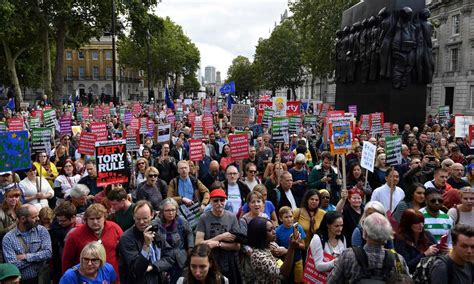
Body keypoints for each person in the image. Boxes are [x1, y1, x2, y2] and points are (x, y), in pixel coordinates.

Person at [327, 212, 410, 283]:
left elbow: (331, 281)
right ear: (387, 235)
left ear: (365, 233)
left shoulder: (348, 255)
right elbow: (405, 281)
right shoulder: (398, 259)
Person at [118, 200, 175, 283]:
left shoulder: (156, 231)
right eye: (138, 219)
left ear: (152, 215)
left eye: (145, 218)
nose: (141, 222)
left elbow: (170, 257)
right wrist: (146, 246)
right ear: (133, 216)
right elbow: (137, 269)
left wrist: (153, 266)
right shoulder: (126, 238)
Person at [62, 204, 123, 276]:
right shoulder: (74, 235)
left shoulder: (115, 228)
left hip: (111, 277)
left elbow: (123, 252)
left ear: (104, 217)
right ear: (86, 219)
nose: (95, 222)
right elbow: (67, 261)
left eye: (98, 218)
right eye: (91, 219)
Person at [195, 189, 242, 284]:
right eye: (216, 200)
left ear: (226, 201)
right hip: (210, 259)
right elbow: (198, 243)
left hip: (228, 260)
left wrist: (217, 244)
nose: (219, 203)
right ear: (211, 202)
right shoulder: (204, 217)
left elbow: (237, 246)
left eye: (222, 200)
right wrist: (220, 237)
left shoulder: (232, 217)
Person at [2, 204, 52, 284]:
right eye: (34, 217)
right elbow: (13, 265)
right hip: (22, 281)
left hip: (41, 278)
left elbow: (48, 253)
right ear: (23, 219)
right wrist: (38, 257)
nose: (38, 219)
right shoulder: (8, 239)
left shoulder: (42, 231)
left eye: (37, 216)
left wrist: (26, 256)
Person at [247, 216, 300, 283]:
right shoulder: (257, 256)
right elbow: (283, 274)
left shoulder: (271, 244)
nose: (274, 232)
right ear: (260, 234)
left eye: (274, 228)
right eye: (270, 230)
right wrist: (291, 248)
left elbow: (282, 263)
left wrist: (285, 251)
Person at [154, 198, 194, 283]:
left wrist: (190, 247)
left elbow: (189, 232)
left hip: (180, 258)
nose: (171, 213)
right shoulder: (156, 223)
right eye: (167, 210)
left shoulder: (181, 220)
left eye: (173, 210)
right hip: (163, 259)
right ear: (162, 211)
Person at [394, 209, 438, 273]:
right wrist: (425, 254)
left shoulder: (427, 234)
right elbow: (407, 266)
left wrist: (442, 250)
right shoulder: (400, 240)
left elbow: (437, 250)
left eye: (422, 222)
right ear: (408, 223)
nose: (421, 225)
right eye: (417, 222)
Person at [308, 211, 346, 280]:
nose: (340, 229)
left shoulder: (342, 238)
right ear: (328, 225)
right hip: (320, 280)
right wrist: (335, 262)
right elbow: (318, 266)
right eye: (336, 226)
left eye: (341, 225)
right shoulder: (317, 239)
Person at [275, 206, 306, 283]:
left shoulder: (298, 228)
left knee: (298, 281)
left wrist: (296, 244)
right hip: (284, 262)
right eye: (286, 217)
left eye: (290, 216)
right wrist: (286, 250)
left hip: (298, 261)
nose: (289, 219)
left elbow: (303, 246)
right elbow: (277, 249)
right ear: (280, 219)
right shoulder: (277, 231)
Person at [50, 201, 77, 283]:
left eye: (63, 221)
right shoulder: (55, 229)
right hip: (58, 264)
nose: (60, 223)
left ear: (73, 217)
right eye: (59, 220)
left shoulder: (81, 227)